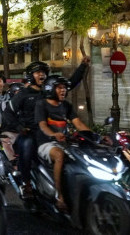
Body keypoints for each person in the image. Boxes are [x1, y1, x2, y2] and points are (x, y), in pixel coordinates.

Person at [1, 57, 90, 199]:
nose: (41, 74)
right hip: (30, 132)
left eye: (43, 72)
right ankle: (26, 183)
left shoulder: (48, 92)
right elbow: (7, 113)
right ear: (31, 75)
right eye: (37, 72)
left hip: (51, 133)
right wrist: (20, 127)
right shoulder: (23, 94)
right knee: (27, 145)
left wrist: (83, 67)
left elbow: (70, 84)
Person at [36, 75, 91, 212]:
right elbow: (43, 125)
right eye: (59, 87)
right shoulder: (41, 104)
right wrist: (53, 134)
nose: (63, 90)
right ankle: (59, 195)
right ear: (50, 88)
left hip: (64, 142)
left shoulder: (66, 105)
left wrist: (95, 136)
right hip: (46, 143)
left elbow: (78, 123)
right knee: (59, 155)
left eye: (65, 88)